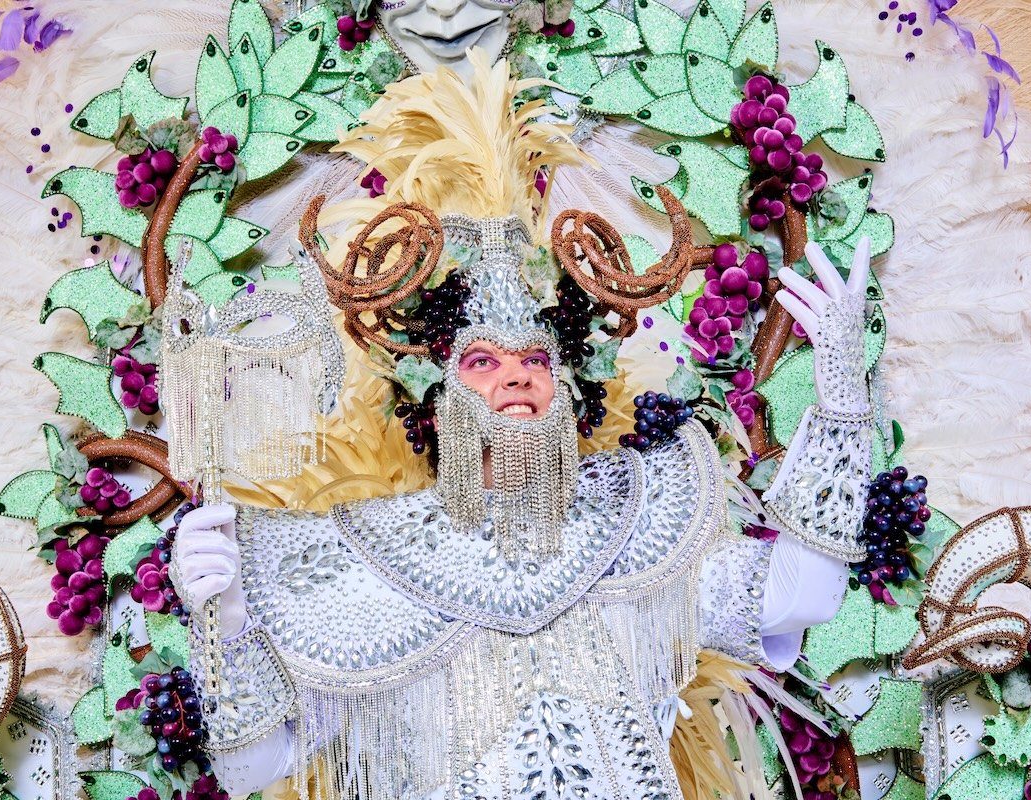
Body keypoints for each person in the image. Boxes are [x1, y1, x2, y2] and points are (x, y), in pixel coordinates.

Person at [170, 54, 873, 799]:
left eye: (537, 357)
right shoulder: (363, 560)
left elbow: (805, 593)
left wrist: (842, 403)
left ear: (569, 385)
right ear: (436, 394)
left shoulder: (639, 524)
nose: (517, 377)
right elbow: (250, 768)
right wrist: (226, 622)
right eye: (481, 360)